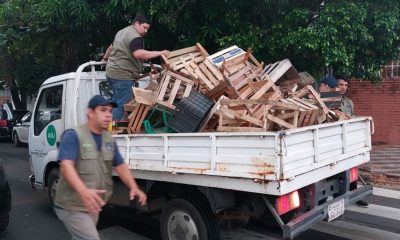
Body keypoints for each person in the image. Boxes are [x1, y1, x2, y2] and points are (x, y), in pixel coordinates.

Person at [54, 95, 147, 240]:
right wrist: (83, 191)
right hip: (71, 204)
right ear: (90, 112)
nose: (108, 115)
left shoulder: (108, 139)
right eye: (103, 110)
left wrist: (133, 186)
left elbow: (121, 165)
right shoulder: (73, 135)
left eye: (110, 111)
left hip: (93, 204)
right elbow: (66, 166)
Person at [105, 14, 170, 120]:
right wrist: (160, 53)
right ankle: (107, 132)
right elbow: (138, 54)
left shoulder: (121, 32)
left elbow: (111, 48)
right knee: (122, 106)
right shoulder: (135, 37)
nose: (146, 31)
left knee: (116, 103)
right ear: (136, 23)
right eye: (144, 27)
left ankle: (110, 129)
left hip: (111, 73)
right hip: (123, 76)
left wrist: (104, 59)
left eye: (147, 29)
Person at [337, 76, 369, 208]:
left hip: (347, 139)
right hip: (334, 140)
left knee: (352, 168)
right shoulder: (328, 101)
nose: (343, 87)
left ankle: (355, 195)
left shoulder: (349, 102)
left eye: (345, 85)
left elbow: (351, 118)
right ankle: (336, 199)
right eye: (340, 84)